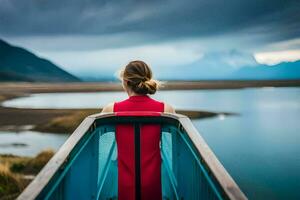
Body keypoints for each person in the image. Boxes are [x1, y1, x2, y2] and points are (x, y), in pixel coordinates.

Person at [101, 60, 175, 200]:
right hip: (153, 182)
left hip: (125, 182)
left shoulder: (111, 109)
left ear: (125, 82)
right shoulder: (166, 109)